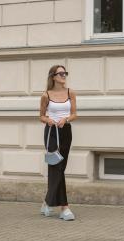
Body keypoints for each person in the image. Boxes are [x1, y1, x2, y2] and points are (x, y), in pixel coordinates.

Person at [40, 65, 77, 221]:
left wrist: (66, 119)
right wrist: (48, 120)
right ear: (53, 76)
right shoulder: (46, 95)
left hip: (66, 131)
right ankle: (65, 208)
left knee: (60, 168)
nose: (64, 76)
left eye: (65, 73)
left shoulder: (71, 92)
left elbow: (75, 114)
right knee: (57, 167)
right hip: (51, 133)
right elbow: (41, 116)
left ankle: (47, 202)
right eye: (60, 73)